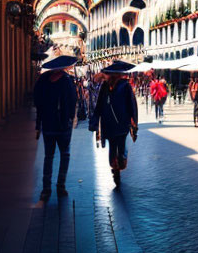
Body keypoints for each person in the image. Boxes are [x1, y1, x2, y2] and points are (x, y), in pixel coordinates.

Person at [33, 54, 78, 201]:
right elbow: (72, 101)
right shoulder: (66, 81)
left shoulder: (43, 80)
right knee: (65, 155)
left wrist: (38, 123)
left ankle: (46, 189)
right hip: (63, 125)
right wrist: (71, 118)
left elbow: (37, 102)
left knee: (49, 156)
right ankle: (60, 186)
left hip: (48, 124)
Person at [89, 60, 139, 188]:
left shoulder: (125, 86)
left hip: (122, 124)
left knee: (121, 147)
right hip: (109, 124)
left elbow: (132, 105)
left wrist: (134, 122)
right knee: (113, 148)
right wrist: (94, 122)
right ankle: (115, 170)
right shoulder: (105, 87)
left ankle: (120, 164)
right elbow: (99, 105)